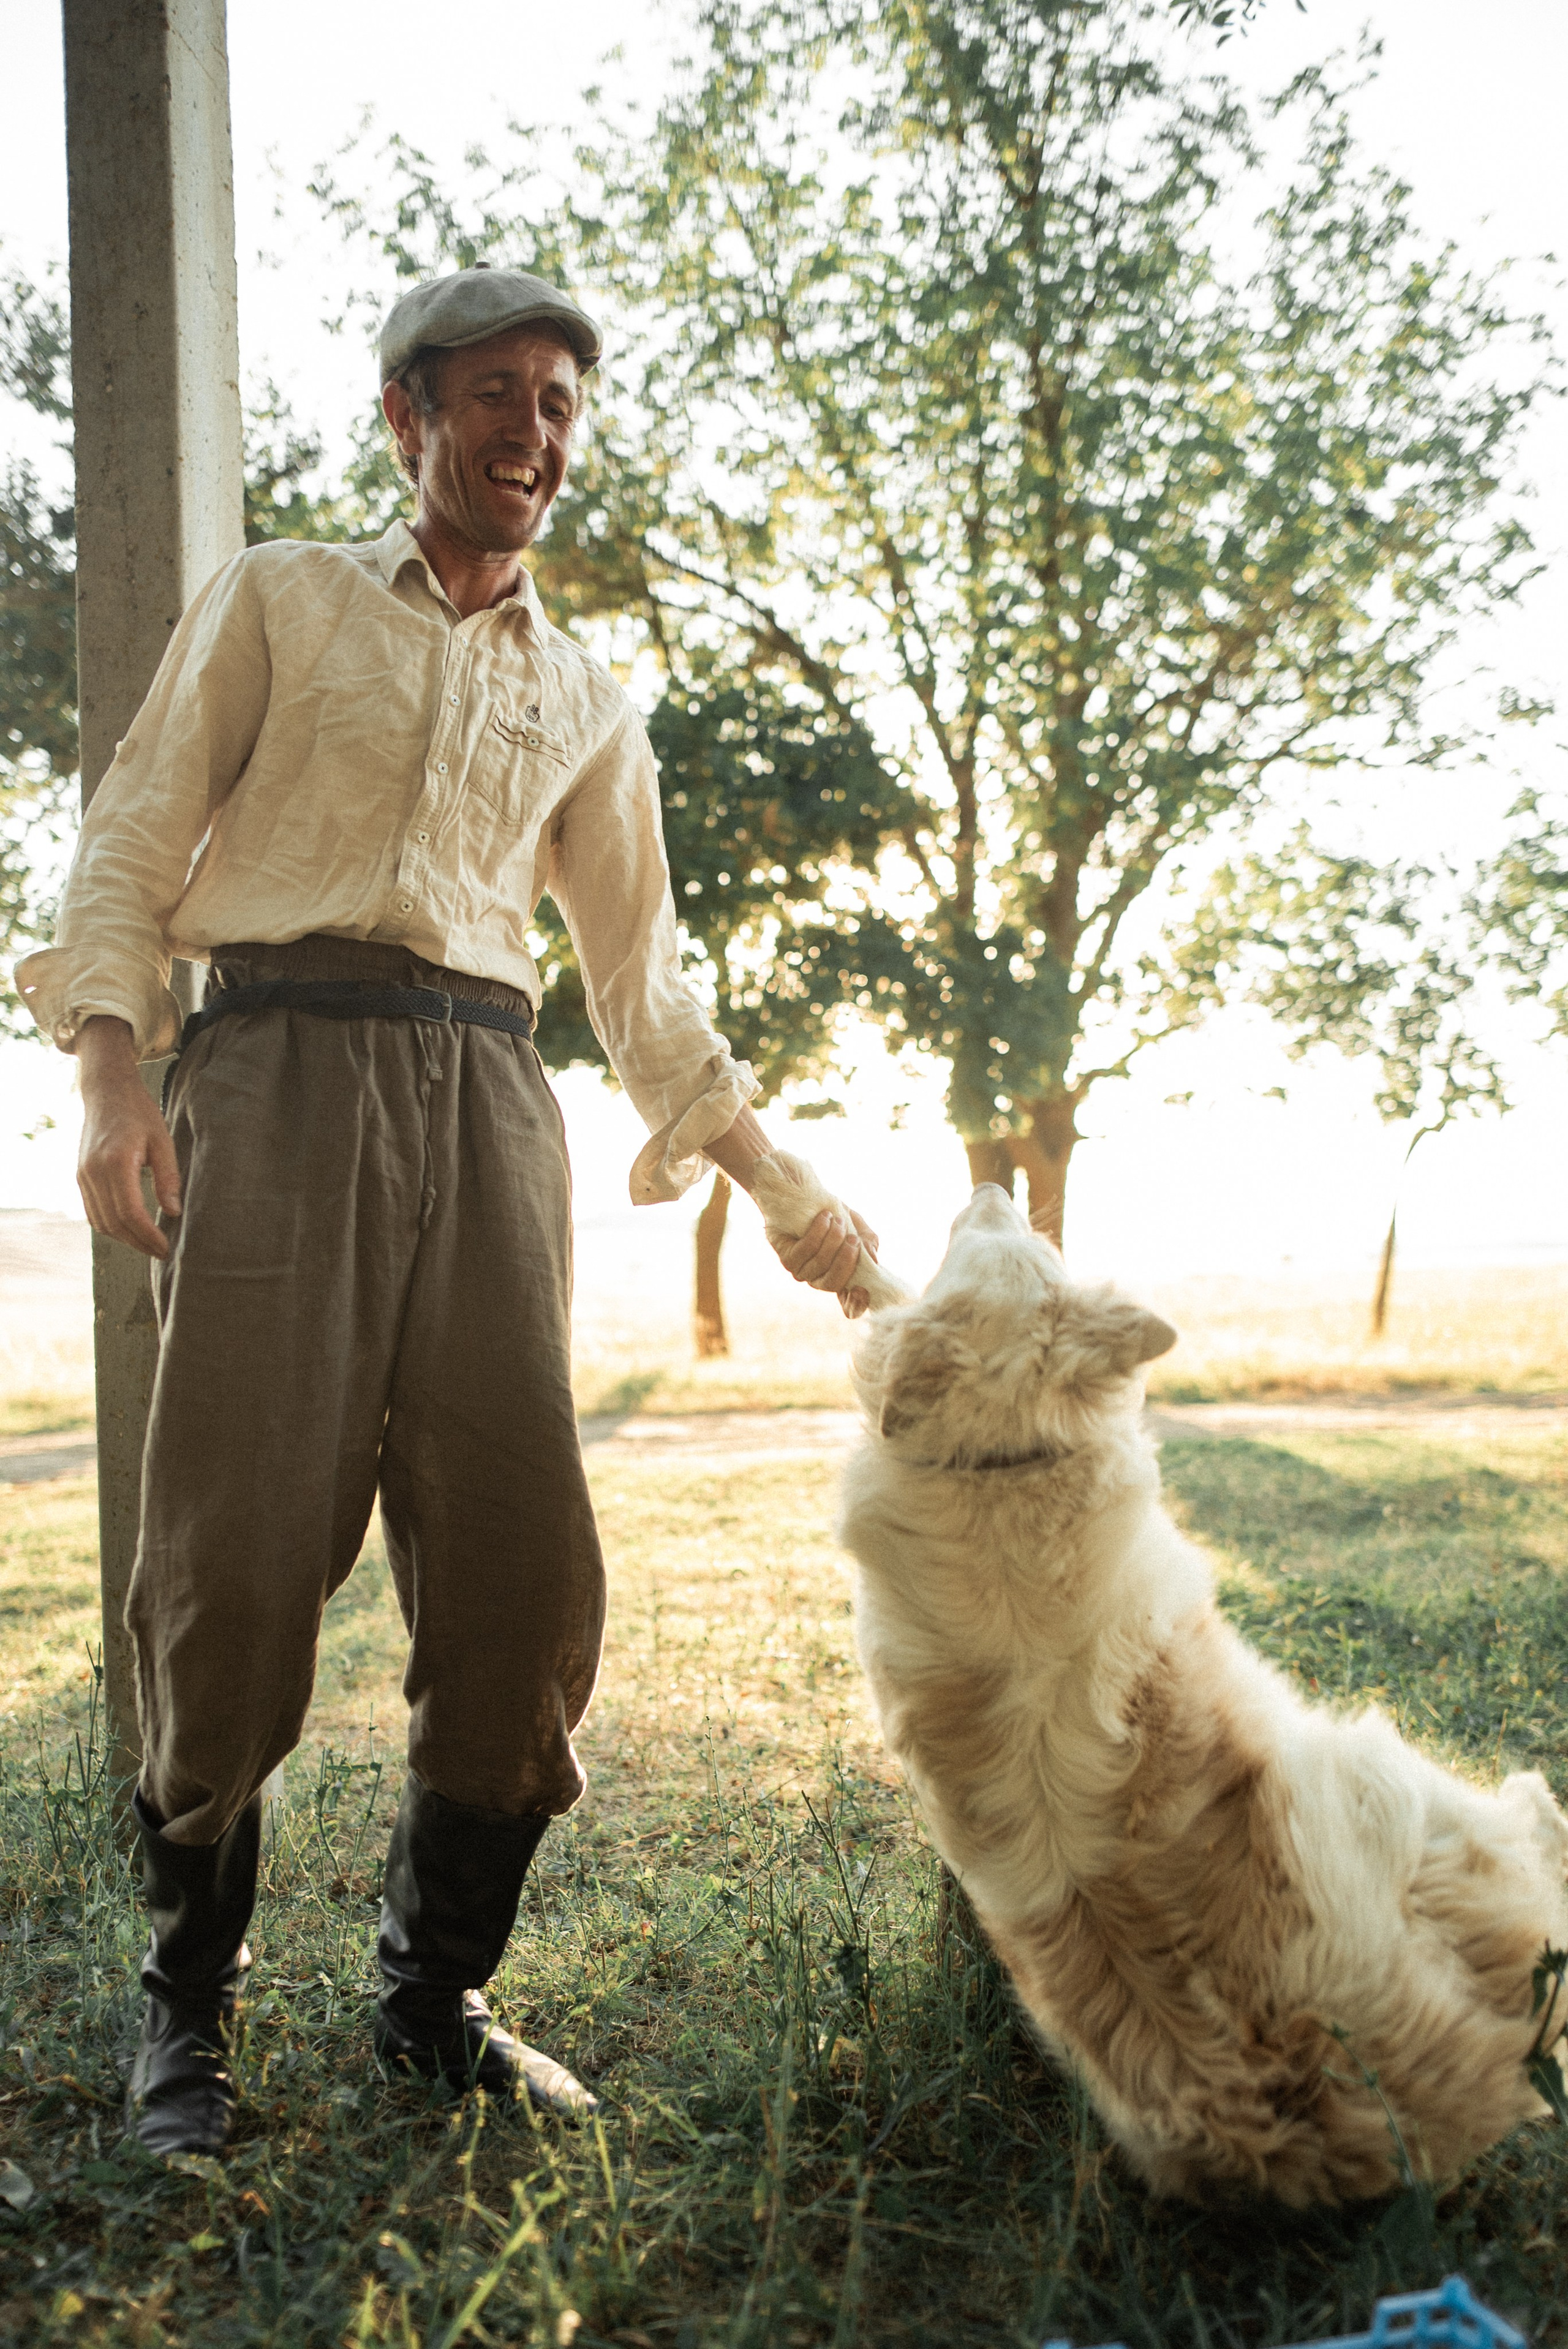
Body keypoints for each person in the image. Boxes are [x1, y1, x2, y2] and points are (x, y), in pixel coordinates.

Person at [17, 265, 876, 2158]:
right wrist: (108, 1072)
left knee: (525, 1566)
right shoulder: (282, 597)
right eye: (496, 393)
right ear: (409, 415)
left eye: (560, 403)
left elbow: (646, 993)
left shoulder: (586, 698)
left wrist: (791, 1197)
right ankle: (186, 2014)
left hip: (492, 1100)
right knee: (236, 1558)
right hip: (277, 1068)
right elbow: (137, 829)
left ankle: (434, 2002)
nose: (533, 433)